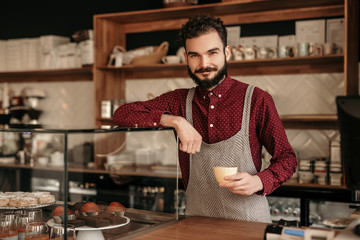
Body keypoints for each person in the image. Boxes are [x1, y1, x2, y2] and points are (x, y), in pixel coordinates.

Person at [113, 15, 297, 222]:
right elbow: (121, 114)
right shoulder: (178, 101)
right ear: (186, 58)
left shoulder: (257, 99)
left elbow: (287, 158)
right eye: (195, 55)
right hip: (196, 224)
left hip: (249, 224)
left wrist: (260, 181)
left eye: (212, 53)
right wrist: (174, 121)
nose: (204, 63)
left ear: (227, 52)